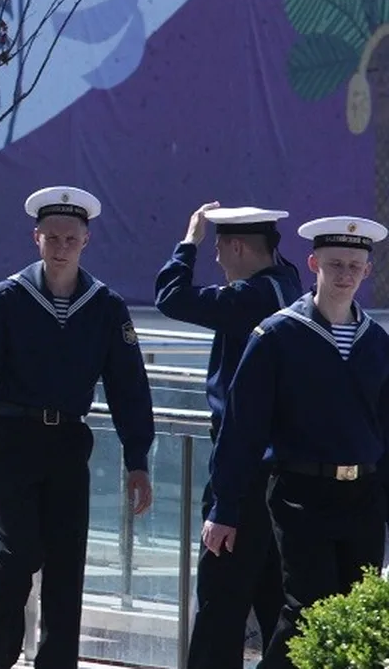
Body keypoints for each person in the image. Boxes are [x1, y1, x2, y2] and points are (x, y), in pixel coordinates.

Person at [0, 186, 155, 669]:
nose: (61, 247)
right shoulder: (7, 298)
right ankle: (0, 655)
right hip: (11, 440)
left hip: (68, 442)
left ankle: (56, 663)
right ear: (36, 238)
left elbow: (129, 388)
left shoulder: (105, 306)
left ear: (86, 241)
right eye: (52, 237)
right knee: (18, 552)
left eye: (70, 238)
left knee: (65, 560)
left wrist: (137, 459)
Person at [203, 216, 389, 669]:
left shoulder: (377, 342)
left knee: (356, 611)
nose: (344, 274)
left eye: (354, 266)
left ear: (367, 271)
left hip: (363, 495)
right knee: (308, 607)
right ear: (313, 264)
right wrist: (225, 507)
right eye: (335, 264)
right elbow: (242, 428)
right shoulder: (277, 335)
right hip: (300, 492)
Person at [154, 203, 302, 668]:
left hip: (242, 467)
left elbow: (171, 297)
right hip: (279, 470)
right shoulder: (290, 283)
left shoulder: (249, 299)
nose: (216, 259)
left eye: (218, 249)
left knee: (221, 600)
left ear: (237, 247)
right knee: (273, 596)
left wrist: (188, 242)